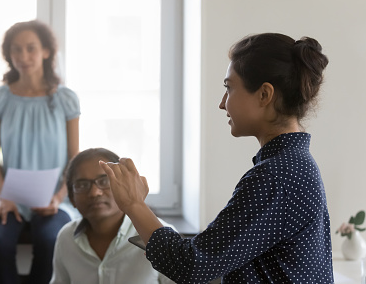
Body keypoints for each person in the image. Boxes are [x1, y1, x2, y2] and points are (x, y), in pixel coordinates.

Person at [100, 33, 333, 283]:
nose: (222, 104)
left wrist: (134, 204)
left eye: (229, 88)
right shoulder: (290, 165)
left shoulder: (276, 175)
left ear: (265, 95)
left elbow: (192, 266)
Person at [0, 20, 80, 284]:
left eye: (31, 48)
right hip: (8, 198)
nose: (23, 56)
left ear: (46, 51)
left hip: (55, 199)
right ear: (8, 55)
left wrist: (59, 197)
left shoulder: (65, 99)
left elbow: (75, 159)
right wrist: (5, 197)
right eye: (16, 50)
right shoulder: (0, 98)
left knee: (51, 240)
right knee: (1, 243)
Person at [50, 148, 175, 284]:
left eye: (104, 181)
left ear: (124, 186)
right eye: (82, 185)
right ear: (72, 198)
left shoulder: (160, 236)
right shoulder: (66, 237)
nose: (94, 193)